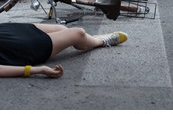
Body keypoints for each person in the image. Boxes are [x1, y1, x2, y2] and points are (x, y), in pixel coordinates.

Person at [0, 22, 128, 78]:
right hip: (23, 47)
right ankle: (101, 41)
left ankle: (86, 41)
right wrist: (37, 70)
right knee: (78, 33)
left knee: (61, 28)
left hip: (11, 31)